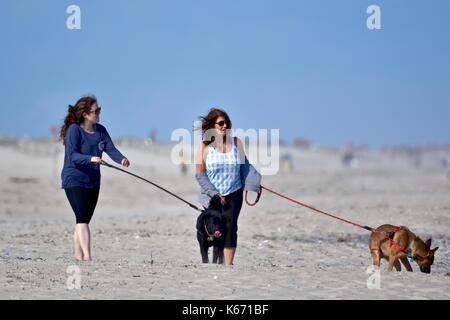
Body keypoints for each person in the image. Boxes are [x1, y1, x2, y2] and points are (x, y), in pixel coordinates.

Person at [60, 95, 130, 261]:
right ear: (85, 114)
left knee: (82, 219)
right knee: (83, 218)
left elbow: (111, 149)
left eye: (99, 109)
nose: (99, 113)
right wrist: (90, 158)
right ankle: (88, 257)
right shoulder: (74, 130)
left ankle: (78, 256)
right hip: (74, 180)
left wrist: (122, 160)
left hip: (93, 181)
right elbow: (72, 156)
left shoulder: (101, 130)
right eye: (96, 110)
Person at [195, 108, 261, 266]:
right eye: (221, 123)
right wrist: (214, 193)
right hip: (212, 196)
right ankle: (214, 261)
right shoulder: (205, 146)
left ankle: (227, 265)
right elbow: (200, 174)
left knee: (230, 227)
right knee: (216, 226)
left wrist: (254, 183)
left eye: (227, 123)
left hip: (234, 192)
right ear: (212, 126)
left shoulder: (236, 143)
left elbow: (245, 167)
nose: (225, 126)